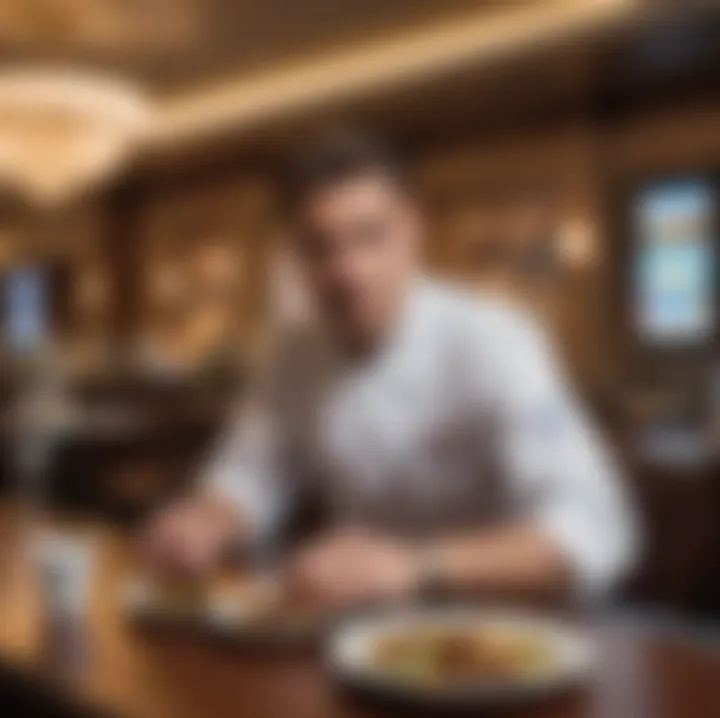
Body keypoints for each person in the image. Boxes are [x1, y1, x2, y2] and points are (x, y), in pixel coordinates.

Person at [145, 128, 638, 606]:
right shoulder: (293, 353)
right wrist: (205, 519)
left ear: (413, 231)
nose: (348, 271)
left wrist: (414, 567)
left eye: (370, 236)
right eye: (320, 247)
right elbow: (248, 476)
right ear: (297, 257)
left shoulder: (496, 341)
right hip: (359, 631)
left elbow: (595, 530)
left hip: (504, 626)